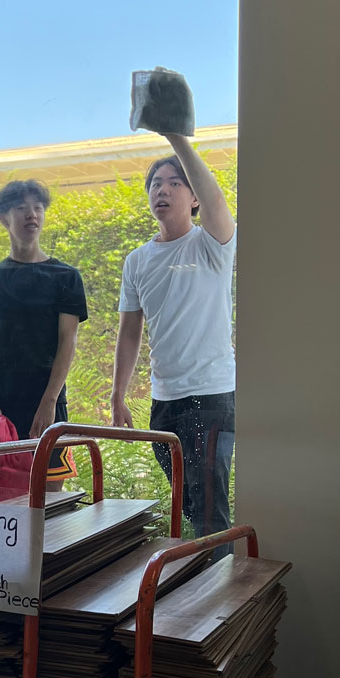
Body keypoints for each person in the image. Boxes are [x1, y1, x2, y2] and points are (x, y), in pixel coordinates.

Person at [111, 117, 236, 537]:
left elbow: (217, 200)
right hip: (164, 402)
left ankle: (218, 595)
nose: (161, 189)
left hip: (211, 395)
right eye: (155, 184)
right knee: (190, 505)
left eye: (174, 183)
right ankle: (206, 582)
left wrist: (174, 138)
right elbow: (130, 332)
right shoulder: (137, 261)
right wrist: (118, 394)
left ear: (195, 197)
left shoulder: (212, 244)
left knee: (208, 510)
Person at [0, 179, 87, 487]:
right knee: (2, 499)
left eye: (38, 208)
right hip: (1, 407)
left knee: (50, 500)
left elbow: (68, 342)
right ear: (3, 218)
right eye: (21, 208)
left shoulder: (66, 276)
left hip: (48, 402)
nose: (31, 215)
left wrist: (50, 400)